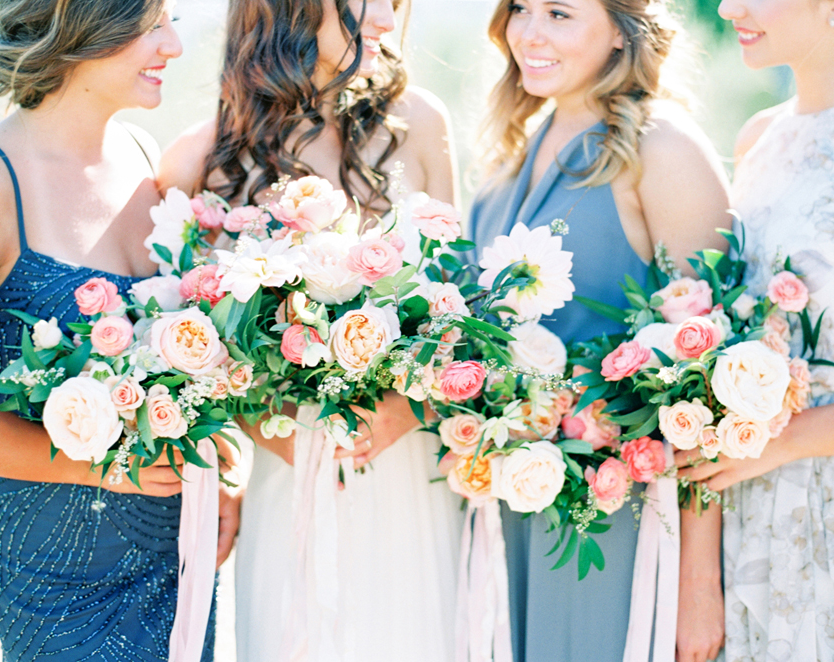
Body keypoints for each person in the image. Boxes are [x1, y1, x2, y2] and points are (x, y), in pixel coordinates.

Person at [158, 0, 462, 659]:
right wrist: (271, 427)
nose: (385, 19)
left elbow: (460, 311)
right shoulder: (207, 157)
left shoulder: (422, 125)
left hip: (406, 471)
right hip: (286, 476)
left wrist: (408, 407)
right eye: (367, 1)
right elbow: (195, 355)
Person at [0, 1, 238, 659]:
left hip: (176, 547)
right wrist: (103, 467)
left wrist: (226, 472)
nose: (174, 45)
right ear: (86, 23)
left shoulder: (145, 157)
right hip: (59, 565)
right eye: (153, 24)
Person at [467, 0, 731, 660]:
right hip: (511, 508)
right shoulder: (510, 158)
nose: (529, 32)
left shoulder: (660, 150)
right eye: (522, 7)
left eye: (560, 13)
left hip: (622, 514)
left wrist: (700, 582)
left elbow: (711, 384)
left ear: (620, 29)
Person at [675, 0, 834, 658]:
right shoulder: (757, 140)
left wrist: (782, 441)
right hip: (751, 515)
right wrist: (698, 578)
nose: (727, 7)